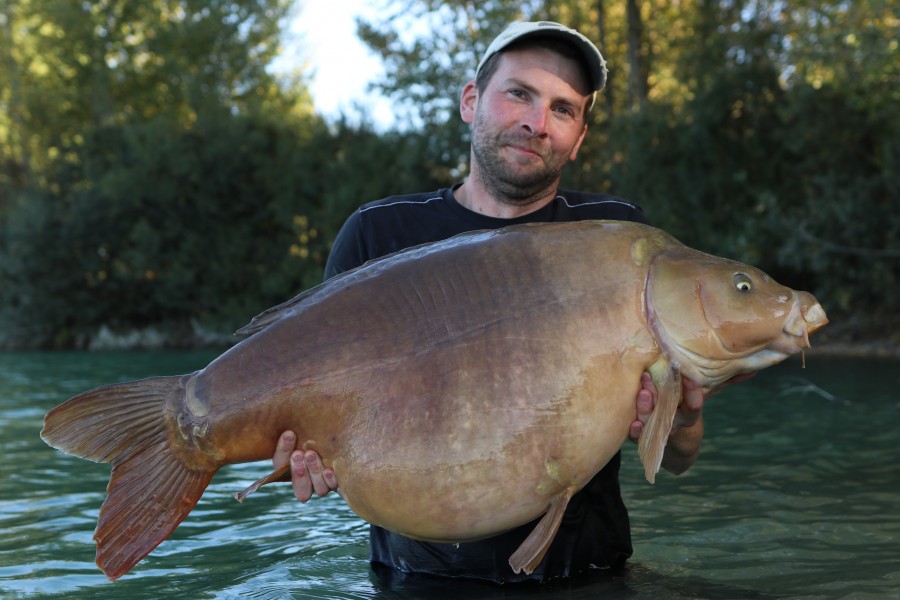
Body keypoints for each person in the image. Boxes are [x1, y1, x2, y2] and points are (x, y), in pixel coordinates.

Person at [271, 21, 745, 583]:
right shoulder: (380, 234)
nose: (536, 123)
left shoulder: (617, 236)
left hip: (589, 574)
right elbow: (317, 416)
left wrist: (684, 420)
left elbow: (678, 458)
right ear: (471, 101)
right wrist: (304, 459)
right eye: (519, 93)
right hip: (419, 580)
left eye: (563, 109)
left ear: (580, 135)